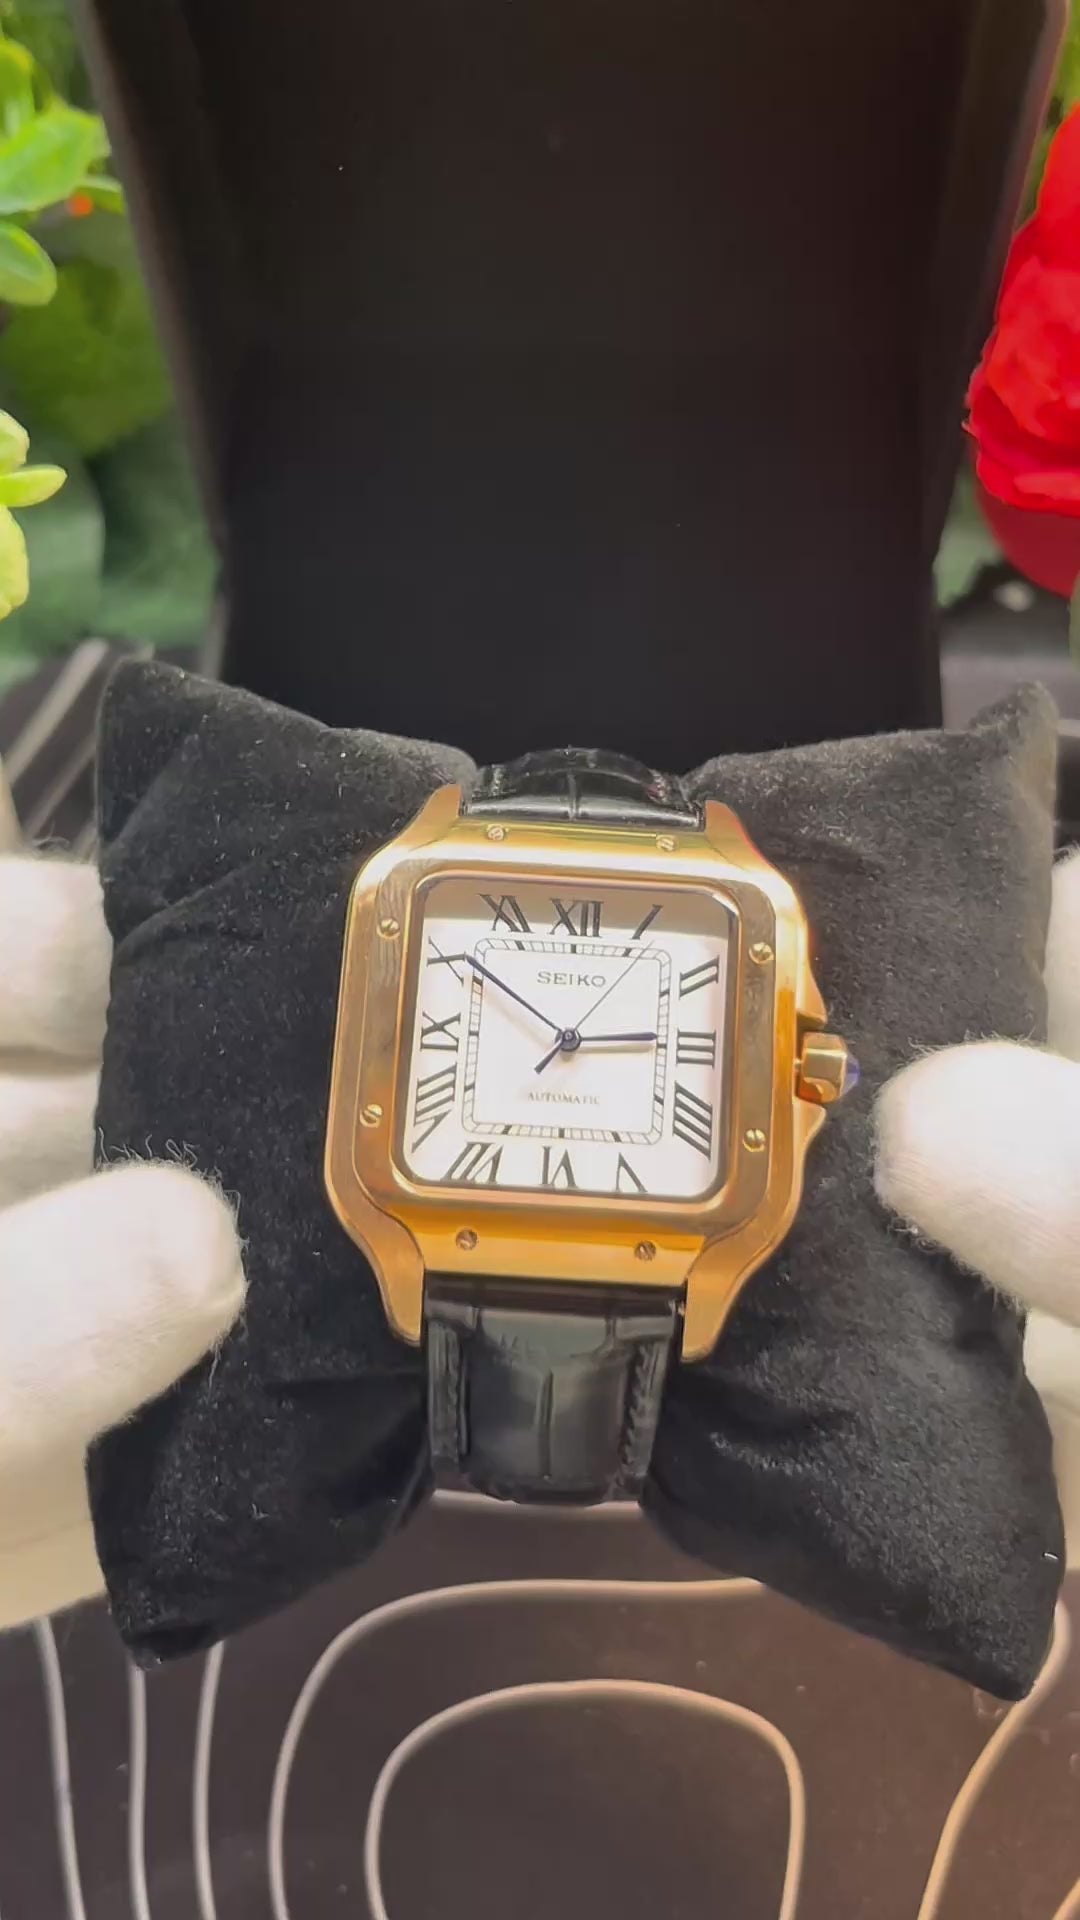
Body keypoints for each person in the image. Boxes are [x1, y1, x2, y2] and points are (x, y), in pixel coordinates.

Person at [1, 776, 1076, 1630]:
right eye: (563, 1038)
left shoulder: (731, 916)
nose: (565, 1043)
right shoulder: (424, 879)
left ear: (809, 1071)